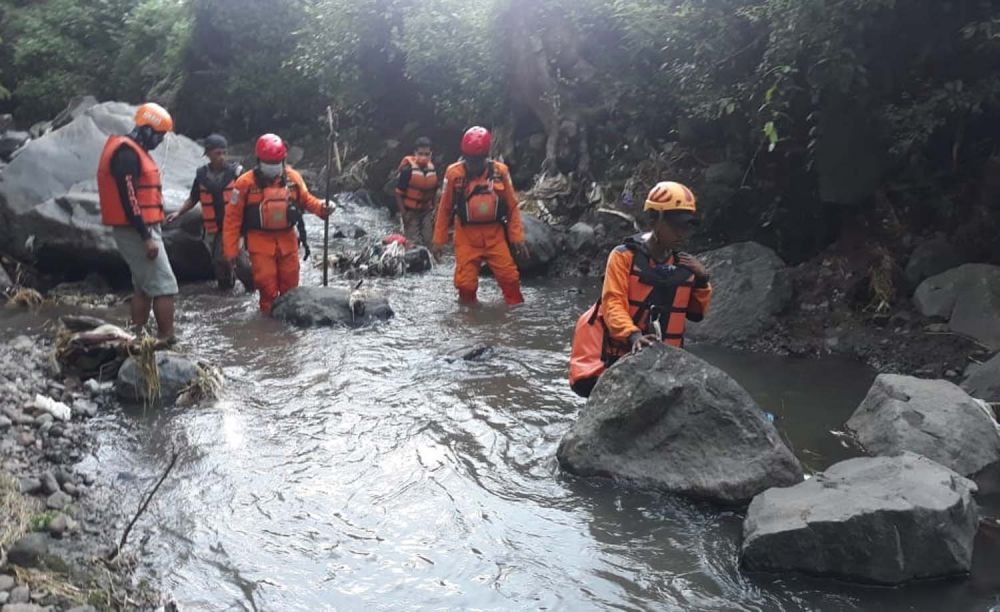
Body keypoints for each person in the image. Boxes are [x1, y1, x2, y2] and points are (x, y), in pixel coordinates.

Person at [568, 181, 712, 397]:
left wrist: (702, 281)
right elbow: (612, 303)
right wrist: (634, 336)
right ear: (654, 220)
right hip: (622, 353)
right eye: (675, 225)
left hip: (666, 360)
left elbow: (695, 314)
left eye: (687, 225)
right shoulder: (623, 257)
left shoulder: (685, 266)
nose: (682, 232)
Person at [223, 133, 332, 314]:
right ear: (259, 161)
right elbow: (232, 218)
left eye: (277, 163)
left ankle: (288, 330)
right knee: (267, 286)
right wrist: (231, 251)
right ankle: (269, 325)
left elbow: (306, 200)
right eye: (269, 164)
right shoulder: (244, 184)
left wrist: (323, 208)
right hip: (260, 243)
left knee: (291, 287)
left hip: (288, 241)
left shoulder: (293, 178)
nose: (274, 168)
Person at [96, 102, 178, 341]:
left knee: (143, 286)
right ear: (147, 129)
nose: (160, 141)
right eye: (159, 135)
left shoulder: (132, 150)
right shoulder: (127, 154)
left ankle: (138, 335)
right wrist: (147, 238)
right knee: (165, 286)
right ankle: (167, 339)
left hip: (141, 227)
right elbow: (129, 198)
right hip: (137, 229)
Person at [431, 126, 529, 305]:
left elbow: (512, 207)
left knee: (510, 279)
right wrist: (439, 241)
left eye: (477, 160)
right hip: (466, 236)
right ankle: (470, 321)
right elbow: (444, 208)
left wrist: (517, 238)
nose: (474, 164)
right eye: (470, 160)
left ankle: (515, 316)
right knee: (465, 285)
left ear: (486, 156)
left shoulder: (501, 172)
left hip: (495, 235)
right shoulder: (454, 174)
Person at [165, 134, 251, 291]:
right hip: (213, 228)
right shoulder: (201, 175)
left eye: (224, 152)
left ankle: (253, 290)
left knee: (240, 261)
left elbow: (249, 197)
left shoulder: (237, 172)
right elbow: (193, 198)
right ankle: (226, 293)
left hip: (234, 226)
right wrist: (179, 213)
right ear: (208, 153)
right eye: (218, 153)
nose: (222, 156)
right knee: (220, 263)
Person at [395, 137, 439, 246]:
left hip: (426, 211)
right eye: (420, 153)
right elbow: (398, 193)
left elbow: (434, 190)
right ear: (415, 153)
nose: (424, 157)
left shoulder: (432, 170)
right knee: (412, 243)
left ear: (431, 154)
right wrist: (404, 214)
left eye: (426, 154)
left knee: (430, 241)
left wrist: (435, 210)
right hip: (410, 211)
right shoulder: (408, 171)